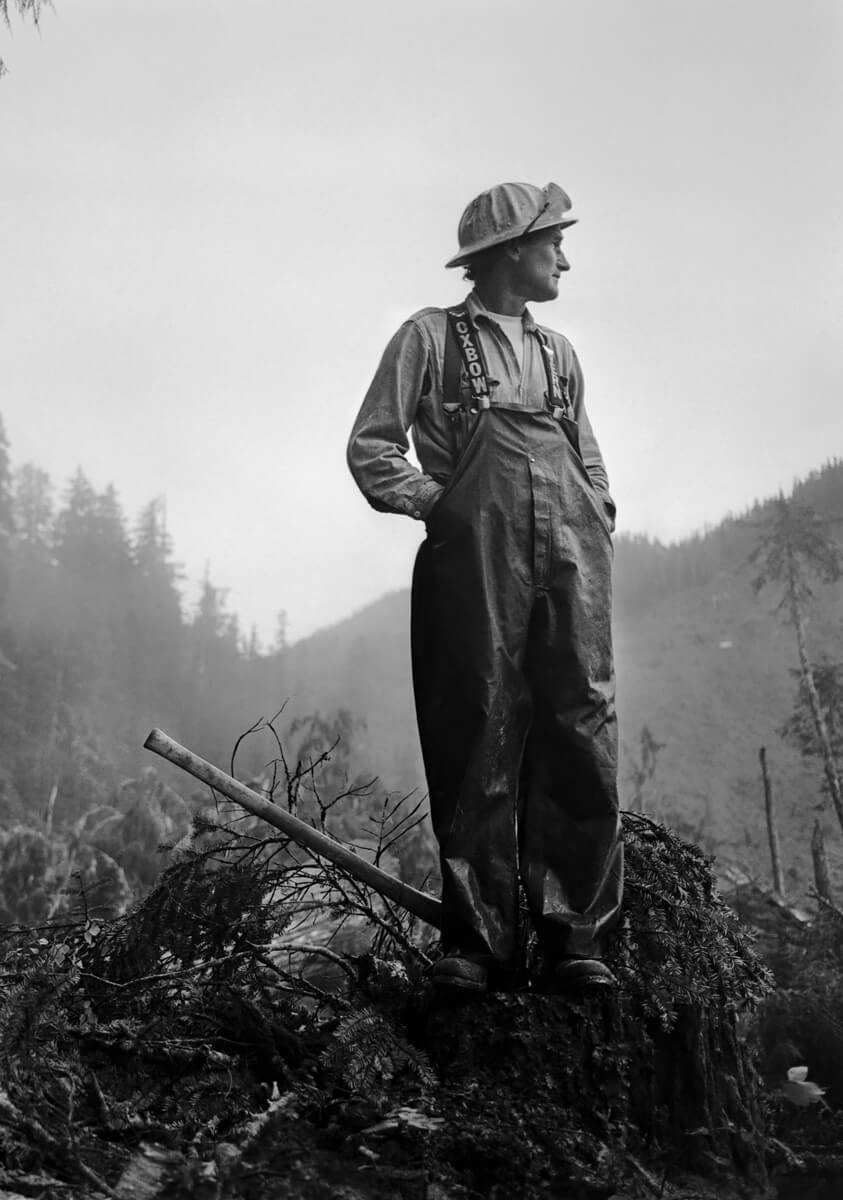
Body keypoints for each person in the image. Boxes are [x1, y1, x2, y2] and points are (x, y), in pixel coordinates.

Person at [346, 182, 623, 994]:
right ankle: (477, 944)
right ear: (510, 251)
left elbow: (589, 456)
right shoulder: (428, 338)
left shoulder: (558, 354)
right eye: (552, 245)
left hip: (572, 553)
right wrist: (444, 508)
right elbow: (372, 447)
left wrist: (597, 512)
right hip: (475, 554)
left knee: (581, 719)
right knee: (478, 720)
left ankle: (576, 940)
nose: (564, 259)